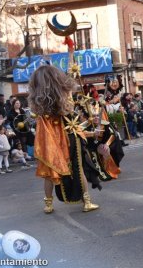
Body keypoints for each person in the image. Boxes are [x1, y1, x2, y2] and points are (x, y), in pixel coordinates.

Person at [28, 65, 101, 214]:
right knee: (78, 168)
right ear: (56, 78)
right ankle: (86, 201)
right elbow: (69, 112)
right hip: (70, 136)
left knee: (50, 170)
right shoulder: (64, 93)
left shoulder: (38, 101)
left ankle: (48, 205)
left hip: (51, 139)